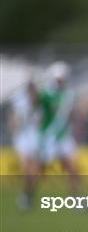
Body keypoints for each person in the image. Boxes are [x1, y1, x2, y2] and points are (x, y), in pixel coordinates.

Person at [37, 61, 80, 193]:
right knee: (40, 170)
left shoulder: (69, 95)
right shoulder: (47, 94)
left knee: (73, 169)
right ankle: (27, 197)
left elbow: (71, 115)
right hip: (49, 136)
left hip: (63, 136)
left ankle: (77, 200)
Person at [8, 79, 40, 209]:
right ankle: (27, 196)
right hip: (22, 138)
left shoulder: (40, 103)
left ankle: (28, 196)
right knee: (27, 169)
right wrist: (15, 126)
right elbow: (14, 119)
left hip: (35, 137)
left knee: (35, 172)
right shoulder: (20, 102)